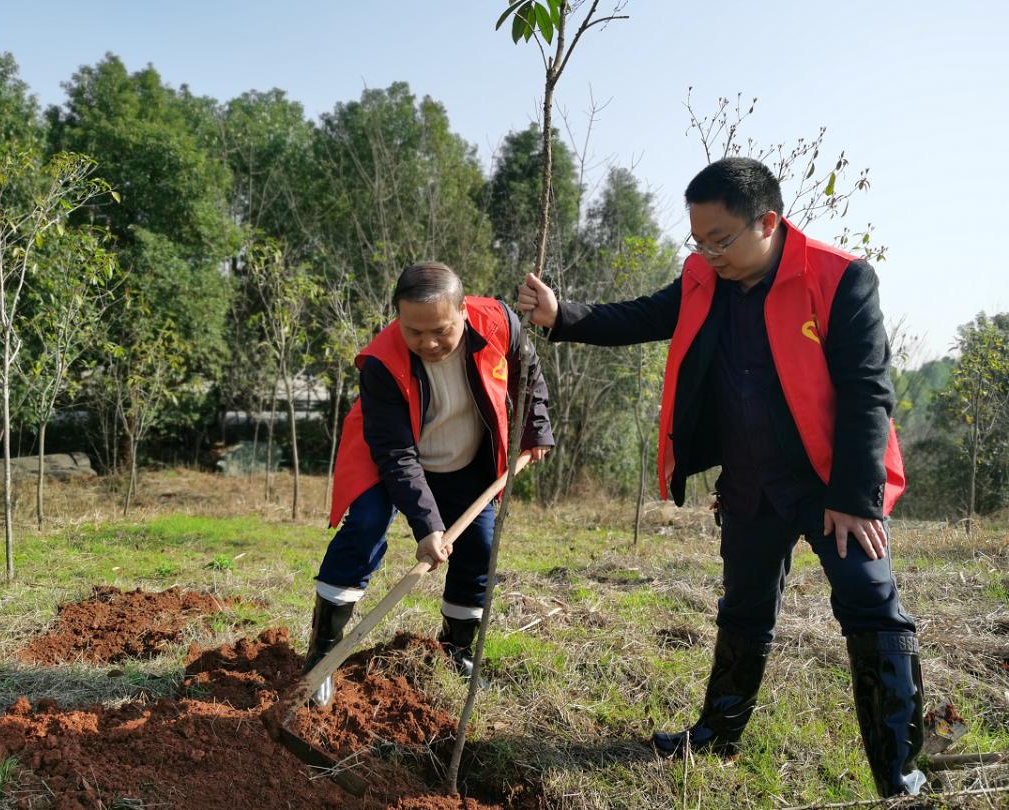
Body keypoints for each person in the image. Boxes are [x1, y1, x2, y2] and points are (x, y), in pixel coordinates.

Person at [517, 158, 924, 798]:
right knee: (743, 607)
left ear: (768, 221)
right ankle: (718, 732)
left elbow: (868, 394)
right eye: (698, 240)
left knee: (872, 606)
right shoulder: (703, 277)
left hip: (831, 484)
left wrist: (853, 496)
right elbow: (648, 317)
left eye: (721, 239)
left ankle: (898, 769)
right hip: (749, 484)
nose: (707, 253)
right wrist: (563, 314)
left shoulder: (838, 277)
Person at [305, 261, 554, 707]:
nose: (428, 343)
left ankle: (457, 650)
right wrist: (427, 526)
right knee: (364, 526)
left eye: (440, 329)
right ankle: (322, 655)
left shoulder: (500, 323)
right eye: (413, 331)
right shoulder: (381, 361)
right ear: (398, 318)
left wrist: (536, 432)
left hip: (465, 455)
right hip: (391, 458)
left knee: (479, 543)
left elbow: (526, 371)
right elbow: (396, 455)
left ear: (463, 310)